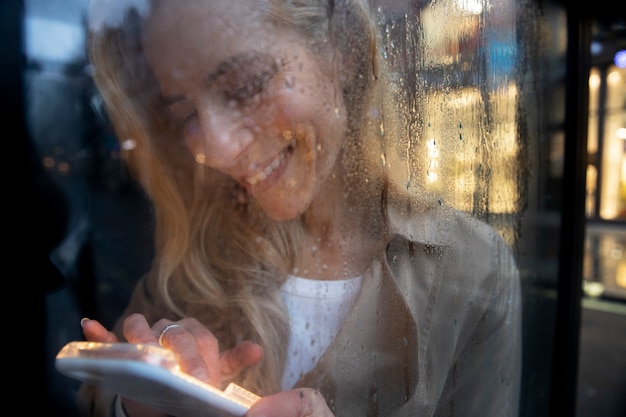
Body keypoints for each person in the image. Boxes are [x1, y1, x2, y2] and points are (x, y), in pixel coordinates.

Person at [79, 0, 522, 416]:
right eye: (185, 115)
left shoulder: (469, 267)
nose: (217, 147)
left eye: (246, 85)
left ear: (342, 50)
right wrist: (140, 405)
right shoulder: (191, 259)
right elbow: (95, 399)